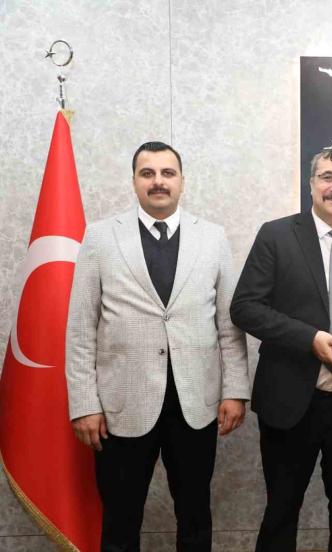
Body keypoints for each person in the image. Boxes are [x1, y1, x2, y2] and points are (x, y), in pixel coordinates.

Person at [66, 141, 250, 551]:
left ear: (182, 181)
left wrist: (235, 390)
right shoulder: (100, 238)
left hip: (195, 404)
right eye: (147, 173)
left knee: (195, 515)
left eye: (168, 173)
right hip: (121, 406)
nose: (158, 181)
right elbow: (80, 329)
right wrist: (84, 403)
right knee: (120, 519)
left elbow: (228, 324)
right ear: (134, 181)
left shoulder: (213, 238)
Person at [230, 148, 332, 552]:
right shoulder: (276, 235)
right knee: (282, 510)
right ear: (311, 184)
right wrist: (309, 338)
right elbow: (245, 307)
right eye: (328, 177)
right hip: (289, 401)